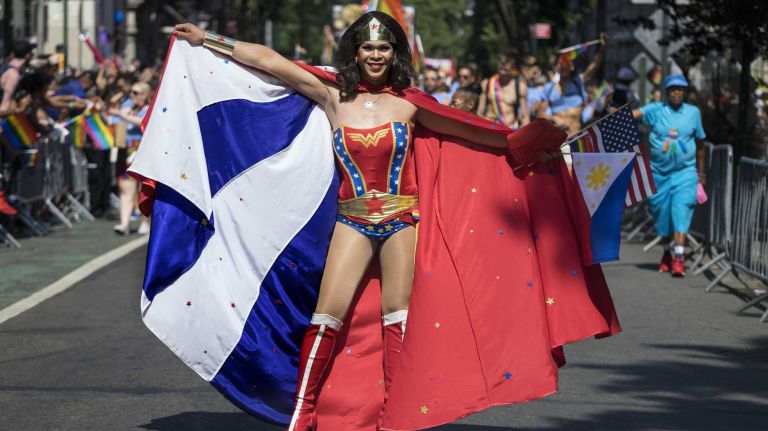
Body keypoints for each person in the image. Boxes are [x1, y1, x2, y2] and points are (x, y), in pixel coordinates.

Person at [172, 12, 619, 431]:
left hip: (402, 222)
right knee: (326, 317)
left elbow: (478, 135)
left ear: (395, 52)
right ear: (355, 51)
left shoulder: (411, 106)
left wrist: (523, 147)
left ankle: (396, 416)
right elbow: (272, 61)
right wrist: (208, 40)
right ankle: (302, 417)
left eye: (383, 47)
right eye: (367, 47)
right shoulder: (333, 97)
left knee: (397, 320)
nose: (375, 55)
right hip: (353, 221)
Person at [633, 74, 706, 277]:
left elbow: (700, 144)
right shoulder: (656, 110)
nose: (677, 92)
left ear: (685, 92)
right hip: (659, 174)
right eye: (673, 89)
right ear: (667, 92)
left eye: (681, 89)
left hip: (685, 174)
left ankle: (679, 258)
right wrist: (617, 113)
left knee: (680, 212)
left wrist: (701, 172)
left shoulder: (693, 113)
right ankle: (667, 251)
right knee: (662, 217)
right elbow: (635, 114)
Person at [536, 33, 606, 135]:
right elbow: (540, 115)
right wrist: (553, 118)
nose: (562, 67)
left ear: (572, 67)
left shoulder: (578, 82)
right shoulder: (549, 88)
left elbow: (593, 67)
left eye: (566, 64)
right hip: (557, 142)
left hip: (576, 138)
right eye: (560, 64)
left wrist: (602, 48)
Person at [109, 81, 151, 235]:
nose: (132, 95)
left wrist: (122, 115)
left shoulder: (148, 108)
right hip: (126, 150)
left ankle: (145, 220)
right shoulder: (128, 107)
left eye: (136, 93)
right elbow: (113, 121)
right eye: (131, 92)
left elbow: (143, 122)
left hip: (142, 150)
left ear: (145, 95)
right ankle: (124, 224)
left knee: (143, 188)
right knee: (125, 187)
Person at [479, 53, 529, 128]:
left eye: (506, 63)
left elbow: (525, 116)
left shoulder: (520, 86)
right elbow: (480, 113)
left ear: (513, 67)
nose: (503, 65)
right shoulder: (487, 83)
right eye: (501, 62)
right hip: (489, 129)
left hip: (509, 130)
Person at [0, 39, 36, 114]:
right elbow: (4, 107)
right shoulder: (13, 75)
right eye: (32, 54)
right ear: (28, 55)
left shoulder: (11, 66)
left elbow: (32, 69)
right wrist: (19, 109)